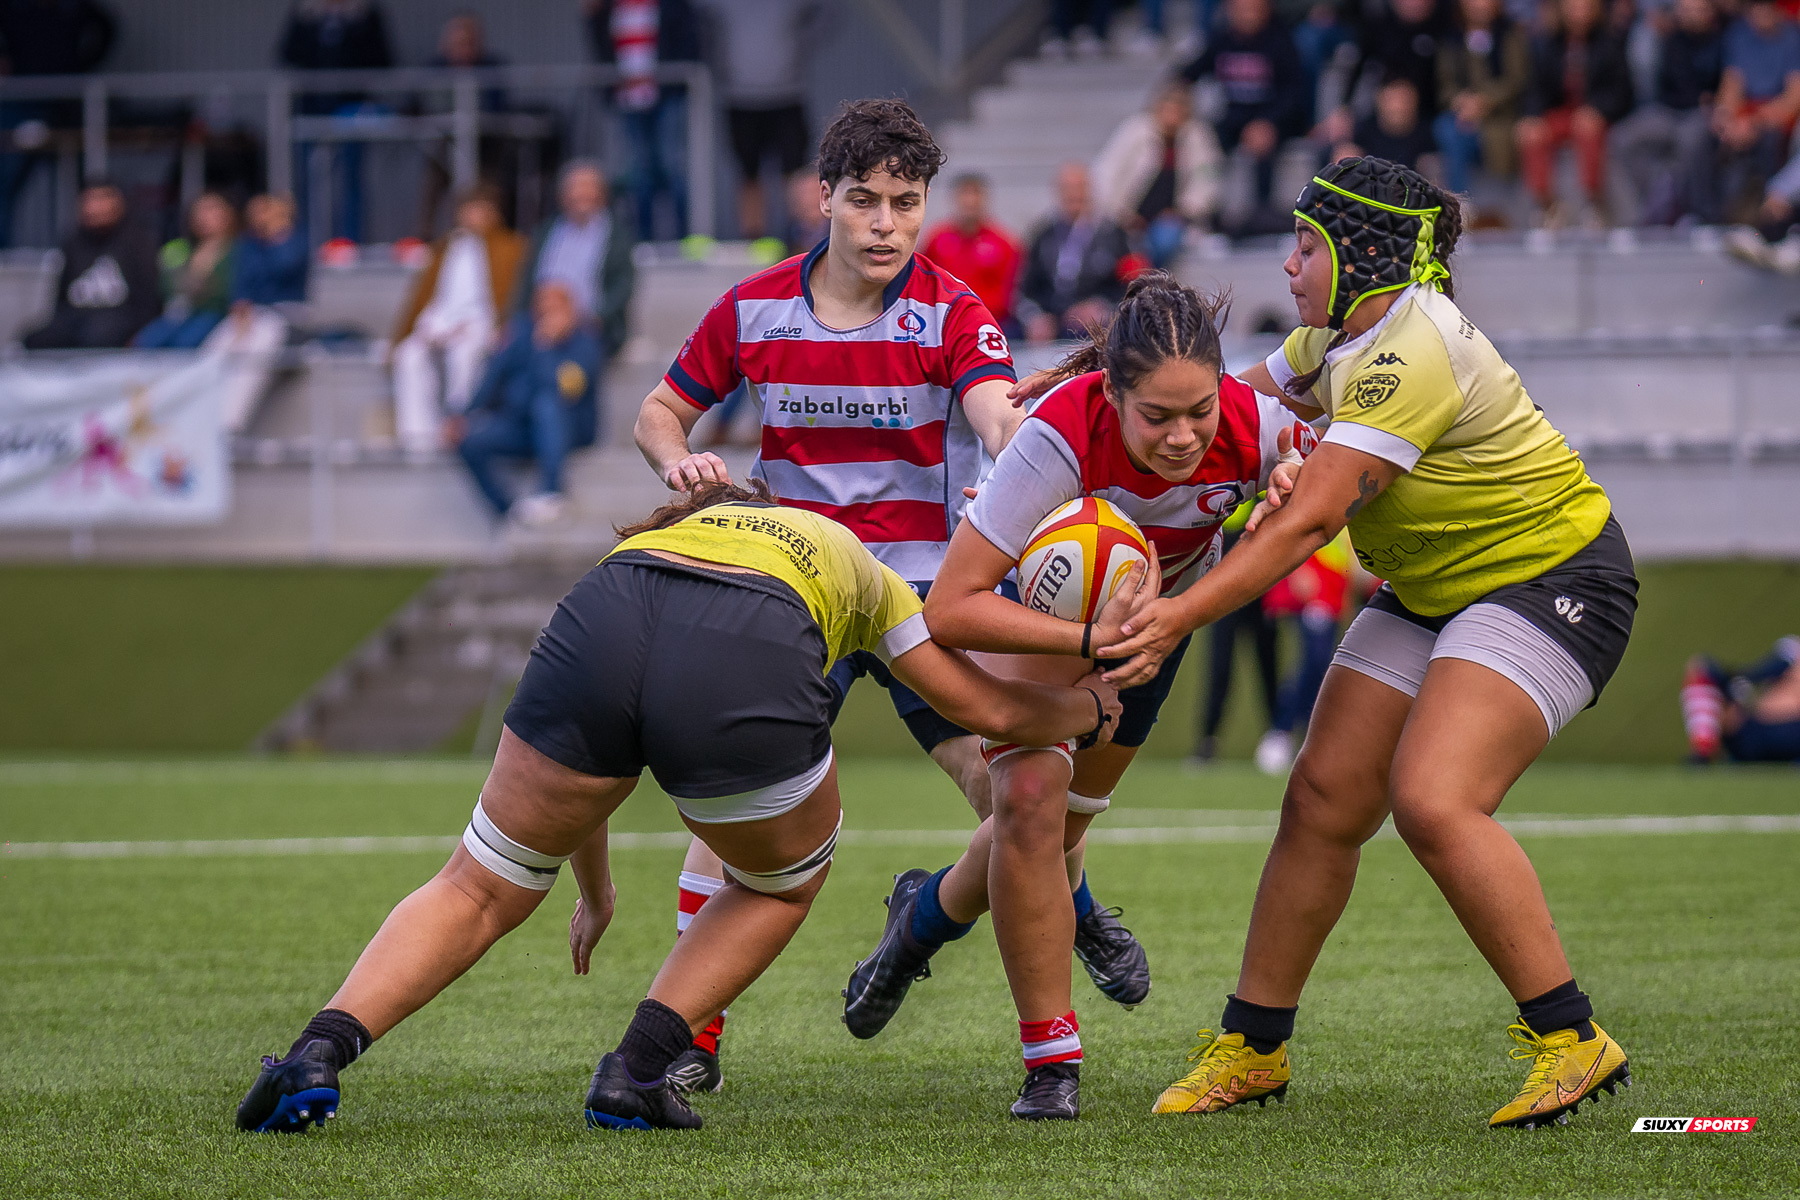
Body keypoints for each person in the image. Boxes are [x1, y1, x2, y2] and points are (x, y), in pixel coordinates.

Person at [232, 481, 1122, 1135]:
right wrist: (1089, 706)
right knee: (777, 883)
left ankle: (318, 1051)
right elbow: (987, 711)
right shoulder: (858, 560)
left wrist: (599, 892)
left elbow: (601, 762)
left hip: (602, 614)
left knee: (479, 884)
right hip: (754, 639)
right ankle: (639, 1068)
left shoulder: (659, 542)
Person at [632, 98, 1150, 1094]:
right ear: (822, 198)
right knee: (734, 816)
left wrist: (1015, 459)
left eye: (903, 204)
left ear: (923, 210)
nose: (883, 223)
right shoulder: (752, 310)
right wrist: (679, 460)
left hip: (920, 599)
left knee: (1017, 795)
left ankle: (1067, 924)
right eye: (863, 200)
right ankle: (691, 1044)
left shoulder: (955, 312)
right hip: (797, 595)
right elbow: (661, 412)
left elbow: (997, 410)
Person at [1113, 157, 1637, 1131]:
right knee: (1321, 798)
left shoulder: (1415, 348)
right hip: (1436, 585)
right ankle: (1254, 1050)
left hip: (1557, 579)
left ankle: (1574, 1041)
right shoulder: (1329, 342)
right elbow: (1210, 414)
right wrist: (1056, 423)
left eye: (1306, 245)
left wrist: (1175, 615)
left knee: (1435, 799)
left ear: (1362, 254)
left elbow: (1310, 524)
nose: (1289, 265)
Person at [843, 272, 1314, 1120]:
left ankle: (919, 922)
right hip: (1039, 622)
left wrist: (1285, 485)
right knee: (1026, 801)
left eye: (1198, 411)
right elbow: (951, 609)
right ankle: (1050, 1061)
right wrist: (1091, 641)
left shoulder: (1258, 424)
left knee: (1061, 831)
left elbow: (1317, 500)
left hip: (1154, 633)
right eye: (1157, 417)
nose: (1183, 437)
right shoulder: (1059, 437)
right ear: (1110, 392)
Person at [390, 185, 525, 457]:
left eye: (480, 209)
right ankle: (418, 435)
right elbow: (427, 297)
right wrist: (427, 326)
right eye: (469, 209)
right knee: (408, 355)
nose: (473, 216)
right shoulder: (445, 249)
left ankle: (460, 424)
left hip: (483, 323)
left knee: (464, 352)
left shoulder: (511, 247)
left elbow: (510, 296)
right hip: (441, 322)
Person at [454, 281, 600, 527]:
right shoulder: (521, 336)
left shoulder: (584, 341)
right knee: (470, 440)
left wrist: (546, 347)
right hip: (521, 428)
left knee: (547, 405)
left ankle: (552, 492)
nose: (547, 317)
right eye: (542, 309)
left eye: (555, 309)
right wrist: (465, 416)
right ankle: (509, 511)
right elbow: (493, 377)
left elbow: (564, 389)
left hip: (569, 429)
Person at [1178, 0, 1312, 231]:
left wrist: (1268, 121)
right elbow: (1190, 71)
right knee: (1203, 139)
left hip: (1276, 117)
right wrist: (1177, 92)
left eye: (1253, 10)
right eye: (1242, 10)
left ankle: (1263, 211)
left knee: (1263, 141)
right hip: (1235, 117)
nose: (1248, 16)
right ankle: (1209, 210)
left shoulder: (1281, 41)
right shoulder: (1222, 39)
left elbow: (1294, 92)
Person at [694, 0, 820, 239]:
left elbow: (828, 13)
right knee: (748, 172)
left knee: (795, 171)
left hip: (788, 94)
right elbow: (697, 18)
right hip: (739, 96)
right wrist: (720, 60)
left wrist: (799, 48)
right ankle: (753, 239)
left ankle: (798, 235)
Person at [0, 0, 115, 249]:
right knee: (6, 179)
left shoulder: (74, 8)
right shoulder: (12, 8)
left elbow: (107, 27)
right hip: (21, 99)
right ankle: (3, 250)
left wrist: (82, 65)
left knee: (81, 180)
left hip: (67, 101)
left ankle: (86, 251)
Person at [278, 0, 395, 244]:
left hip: (352, 107)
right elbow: (287, 55)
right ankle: (307, 241)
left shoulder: (365, 16)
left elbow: (383, 59)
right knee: (308, 179)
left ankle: (350, 241)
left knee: (351, 178)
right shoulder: (305, 15)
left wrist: (355, 26)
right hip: (312, 108)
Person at [588, 0, 702, 242]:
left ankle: (685, 237)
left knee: (673, 166)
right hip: (628, 99)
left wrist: (659, 80)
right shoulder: (610, 9)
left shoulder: (673, 6)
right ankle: (643, 239)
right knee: (638, 172)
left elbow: (688, 45)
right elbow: (602, 49)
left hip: (666, 95)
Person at [1516, 0, 1636, 226]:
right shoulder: (1550, 44)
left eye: (1584, 7)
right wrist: (1532, 117)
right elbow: (1536, 88)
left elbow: (1622, 92)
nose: (1579, 13)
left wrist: (1598, 109)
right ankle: (1547, 205)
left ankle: (1593, 203)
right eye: (1573, 7)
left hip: (1596, 116)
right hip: (1561, 114)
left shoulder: (1609, 44)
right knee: (1531, 133)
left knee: (1586, 127)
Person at [511, 161, 635, 366]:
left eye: (587, 188)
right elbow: (526, 281)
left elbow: (623, 287)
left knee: (556, 365)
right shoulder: (548, 231)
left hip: (590, 324)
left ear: (601, 194)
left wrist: (587, 317)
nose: (579, 195)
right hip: (539, 319)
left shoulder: (616, 235)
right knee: (505, 357)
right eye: (574, 188)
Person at [1609, 0, 1723, 224]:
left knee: (1691, 141)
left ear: (1710, 12)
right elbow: (1666, 85)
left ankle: (1702, 214)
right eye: (1687, 10)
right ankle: (1659, 200)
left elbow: (1724, 84)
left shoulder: (1722, 41)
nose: (1692, 16)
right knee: (1622, 138)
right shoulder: (1671, 40)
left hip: (1702, 113)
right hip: (1668, 111)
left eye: (1698, 10)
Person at [1252, 530, 1355, 774]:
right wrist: (1298, 570)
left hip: (1335, 587)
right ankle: (1281, 731)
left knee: (1324, 666)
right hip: (1314, 585)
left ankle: (1310, 739)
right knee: (1315, 659)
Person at [1092, 81, 1223, 267]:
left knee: (1165, 240)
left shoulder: (1197, 138)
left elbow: (1207, 180)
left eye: (1178, 110)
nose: (1172, 116)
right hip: (1129, 217)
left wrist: (1183, 211)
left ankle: (1150, 280)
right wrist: (1122, 213)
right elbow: (1108, 172)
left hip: (1172, 218)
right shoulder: (1135, 132)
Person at [208, 192, 308, 432]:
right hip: (252, 315)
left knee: (256, 350)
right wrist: (240, 307)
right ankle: (203, 414)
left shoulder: (295, 240)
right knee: (217, 346)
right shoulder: (248, 245)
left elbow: (285, 266)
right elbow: (241, 283)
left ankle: (229, 423)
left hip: (288, 317)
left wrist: (278, 234)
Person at [21, 179, 159, 350]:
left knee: (98, 335)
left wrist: (142, 332)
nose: (96, 207)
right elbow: (62, 296)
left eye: (102, 200)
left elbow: (149, 298)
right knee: (38, 339)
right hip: (77, 315)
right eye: (90, 200)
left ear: (118, 203)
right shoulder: (73, 241)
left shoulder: (138, 241)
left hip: (119, 315)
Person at [1189, 511, 1280, 766]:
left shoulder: (1266, 484)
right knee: (1220, 665)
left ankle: (1278, 736)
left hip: (1262, 588)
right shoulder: (1222, 496)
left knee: (1268, 664)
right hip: (1225, 589)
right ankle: (1207, 740)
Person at [415, 13, 510, 240]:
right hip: (444, 143)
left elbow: (497, 107)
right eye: (456, 43)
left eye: (466, 43)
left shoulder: (491, 67)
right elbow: (422, 103)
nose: (461, 49)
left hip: (485, 144)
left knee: (490, 184)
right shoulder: (435, 68)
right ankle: (425, 238)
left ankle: (494, 238)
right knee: (432, 181)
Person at [1017, 162, 1132, 342]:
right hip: (1053, 320)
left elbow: (1130, 285)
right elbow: (1026, 288)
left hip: (1097, 321)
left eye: (1079, 187)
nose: (1074, 194)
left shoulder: (1113, 234)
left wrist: (1103, 307)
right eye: (1067, 188)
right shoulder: (1043, 235)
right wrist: (1036, 317)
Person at [1708, 0, 1800, 224]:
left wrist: (1755, 122)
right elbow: (1732, 83)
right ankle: (1712, 219)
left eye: (1767, 6)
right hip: (1746, 113)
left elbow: (1792, 99)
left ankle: (1769, 222)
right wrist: (1726, 116)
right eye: (1756, 6)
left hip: (1776, 115)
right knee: (1706, 136)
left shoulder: (1792, 37)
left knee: (1771, 142)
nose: (1762, 12)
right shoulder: (1739, 34)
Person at [1433, 0, 1531, 196]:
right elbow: (1444, 84)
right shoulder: (1451, 40)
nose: (1480, 5)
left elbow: (1516, 79)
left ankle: (1497, 202)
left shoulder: (1510, 37)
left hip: (1502, 116)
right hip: (1462, 115)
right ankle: (1458, 201)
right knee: (1448, 129)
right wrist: (1461, 101)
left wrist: (1484, 101)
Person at [920, 173, 1024, 335]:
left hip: (992, 323)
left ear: (984, 199)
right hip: (944, 321)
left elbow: (1010, 293)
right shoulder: (936, 239)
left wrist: (974, 313)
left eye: (975, 194)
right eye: (964, 194)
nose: (969, 201)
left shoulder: (1004, 243)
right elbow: (925, 282)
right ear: (955, 199)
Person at [134, 191, 238, 349]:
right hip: (178, 313)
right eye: (200, 211)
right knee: (145, 343)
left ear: (228, 214)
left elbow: (229, 290)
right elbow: (165, 286)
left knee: (184, 344)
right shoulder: (180, 249)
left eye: (212, 210)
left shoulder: (238, 250)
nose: (204, 217)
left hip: (215, 314)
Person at [1681, 635, 1800, 763]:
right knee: (1701, 669)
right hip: (1753, 733)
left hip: (1778, 735)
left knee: (1704, 669)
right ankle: (1703, 748)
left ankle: (1703, 751)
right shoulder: (1786, 659)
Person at [1334, 75, 1438, 169]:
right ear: (1380, 100)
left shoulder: (1428, 133)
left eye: (1403, 99)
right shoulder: (1364, 129)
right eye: (1393, 99)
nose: (1398, 106)